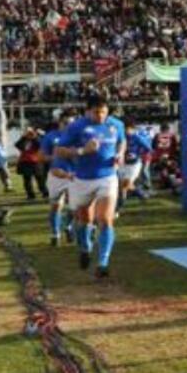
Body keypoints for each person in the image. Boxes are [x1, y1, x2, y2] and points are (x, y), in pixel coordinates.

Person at [55, 96, 127, 278]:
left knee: (105, 218)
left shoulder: (116, 124)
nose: (101, 115)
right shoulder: (76, 127)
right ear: (87, 111)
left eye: (104, 111)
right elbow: (59, 151)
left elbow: (122, 141)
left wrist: (120, 154)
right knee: (84, 220)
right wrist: (82, 151)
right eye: (96, 112)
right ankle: (85, 247)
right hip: (82, 180)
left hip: (107, 177)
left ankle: (103, 263)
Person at [40, 113, 77, 246]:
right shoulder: (50, 136)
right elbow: (41, 156)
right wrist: (55, 157)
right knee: (56, 206)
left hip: (74, 175)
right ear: (60, 123)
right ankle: (55, 234)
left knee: (74, 206)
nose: (69, 125)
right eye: (66, 122)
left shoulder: (78, 136)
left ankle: (68, 226)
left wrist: (73, 154)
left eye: (71, 123)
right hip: (56, 175)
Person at [117, 119, 152, 213]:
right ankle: (139, 193)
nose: (125, 131)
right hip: (123, 164)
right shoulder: (121, 137)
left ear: (132, 129)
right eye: (124, 129)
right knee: (121, 187)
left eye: (127, 129)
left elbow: (148, 148)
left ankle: (118, 209)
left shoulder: (137, 137)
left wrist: (138, 154)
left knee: (126, 185)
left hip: (134, 164)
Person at [14, 127, 47, 201]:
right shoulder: (24, 140)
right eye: (28, 133)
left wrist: (34, 136)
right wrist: (23, 136)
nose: (29, 135)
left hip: (36, 162)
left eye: (30, 133)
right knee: (27, 180)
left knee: (40, 179)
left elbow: (40, 145)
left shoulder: (37, 140)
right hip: (25, 162)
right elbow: (17, 145)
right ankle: (30, 195)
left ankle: (45, 193)